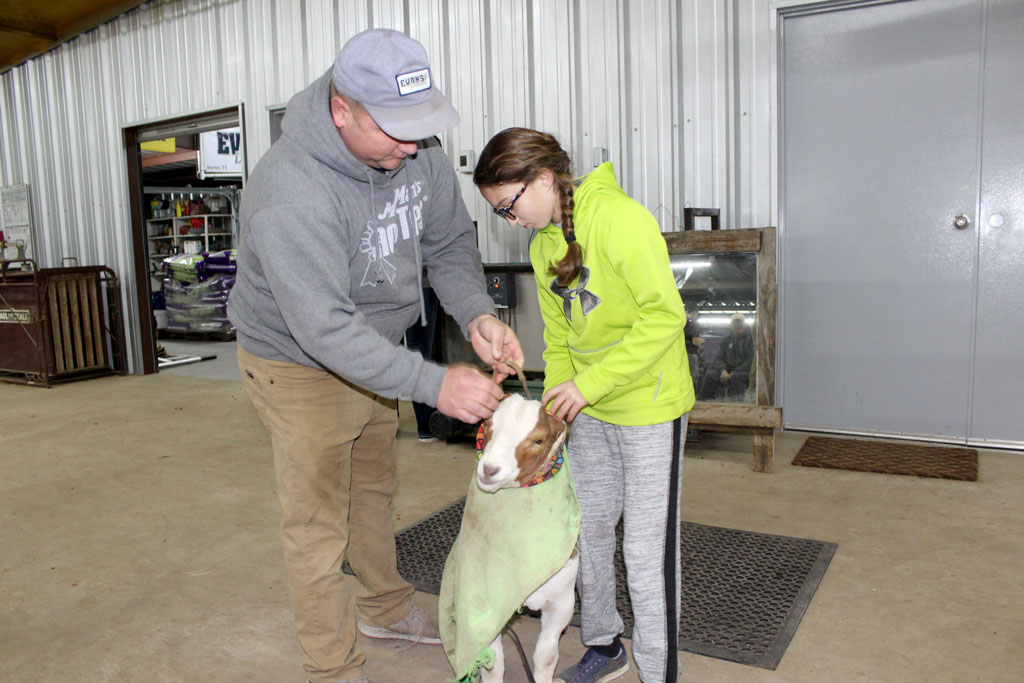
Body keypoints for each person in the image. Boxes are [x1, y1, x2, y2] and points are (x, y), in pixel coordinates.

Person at [227, 29, 523, 683]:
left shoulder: (415, 149)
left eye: (421, 126)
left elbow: (447, 242)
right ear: (343, 110)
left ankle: (385, 607)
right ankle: (331, 665)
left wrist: (476, 313)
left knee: (373, 486)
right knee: (317, 522)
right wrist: (433, 384)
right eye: (396, 129)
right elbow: (325, 331)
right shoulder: (290, 193)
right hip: (297, 361)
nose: (412, 145)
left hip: (375, 345)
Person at [473, 128, 695, 683]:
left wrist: (589, 386)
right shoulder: (544, 242)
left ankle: (661, 670)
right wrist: (552, 412)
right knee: (588, 529)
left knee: (646, 550)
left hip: (648, 404)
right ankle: (604, 644)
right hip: (588, 409)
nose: (511, 220)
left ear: (543, 179)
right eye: (501, 213)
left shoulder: (621, 220)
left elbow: (666, 317)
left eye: (509, 206)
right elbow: (559, 341)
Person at [697, 312, 754, 401]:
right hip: (727, 372)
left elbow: (751, 360)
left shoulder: (752, 340)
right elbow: (719, 359)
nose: (737, 326)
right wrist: (723, 371)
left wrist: (735, 372)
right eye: (735, 323)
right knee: (710, 376)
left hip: (745, 373)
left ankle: (738, 406)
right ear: (730, 325)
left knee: (736, 378)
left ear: (745, 325)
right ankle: (704, 403)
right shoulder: (725, 341)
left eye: (740, 323)